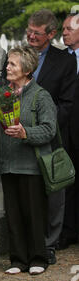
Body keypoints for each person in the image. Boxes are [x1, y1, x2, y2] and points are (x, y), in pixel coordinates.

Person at [0, 45, 57, 275]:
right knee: (14, 214)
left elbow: (49, 130)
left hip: (32, 166)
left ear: (26, 69)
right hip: (8, 164)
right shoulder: (3, 94)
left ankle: (38, 258)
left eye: (12, 64)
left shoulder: (41, 96)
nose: (7, 67)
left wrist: (25, 133)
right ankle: (18, 260)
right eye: (8, 63)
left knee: (33, 214)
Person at [1, 9, 77, 265]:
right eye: (29, 31)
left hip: (51, 136)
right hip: (17, 137)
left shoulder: (65, 61)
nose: (31, 36)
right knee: (25, 196)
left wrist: (47, 127)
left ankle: (50, 243)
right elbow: (4, 89)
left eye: (37, 33)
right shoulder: (15, 56)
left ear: (51, 34)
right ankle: (27, 247)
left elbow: (67, 102)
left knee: (53, 192)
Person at [60, 13, 79, 249]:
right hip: (65, 131)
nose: (63, 32)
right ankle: (68, 230)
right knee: (67, 184)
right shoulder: (61, 60)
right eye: (63, 29)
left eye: (68, 29)